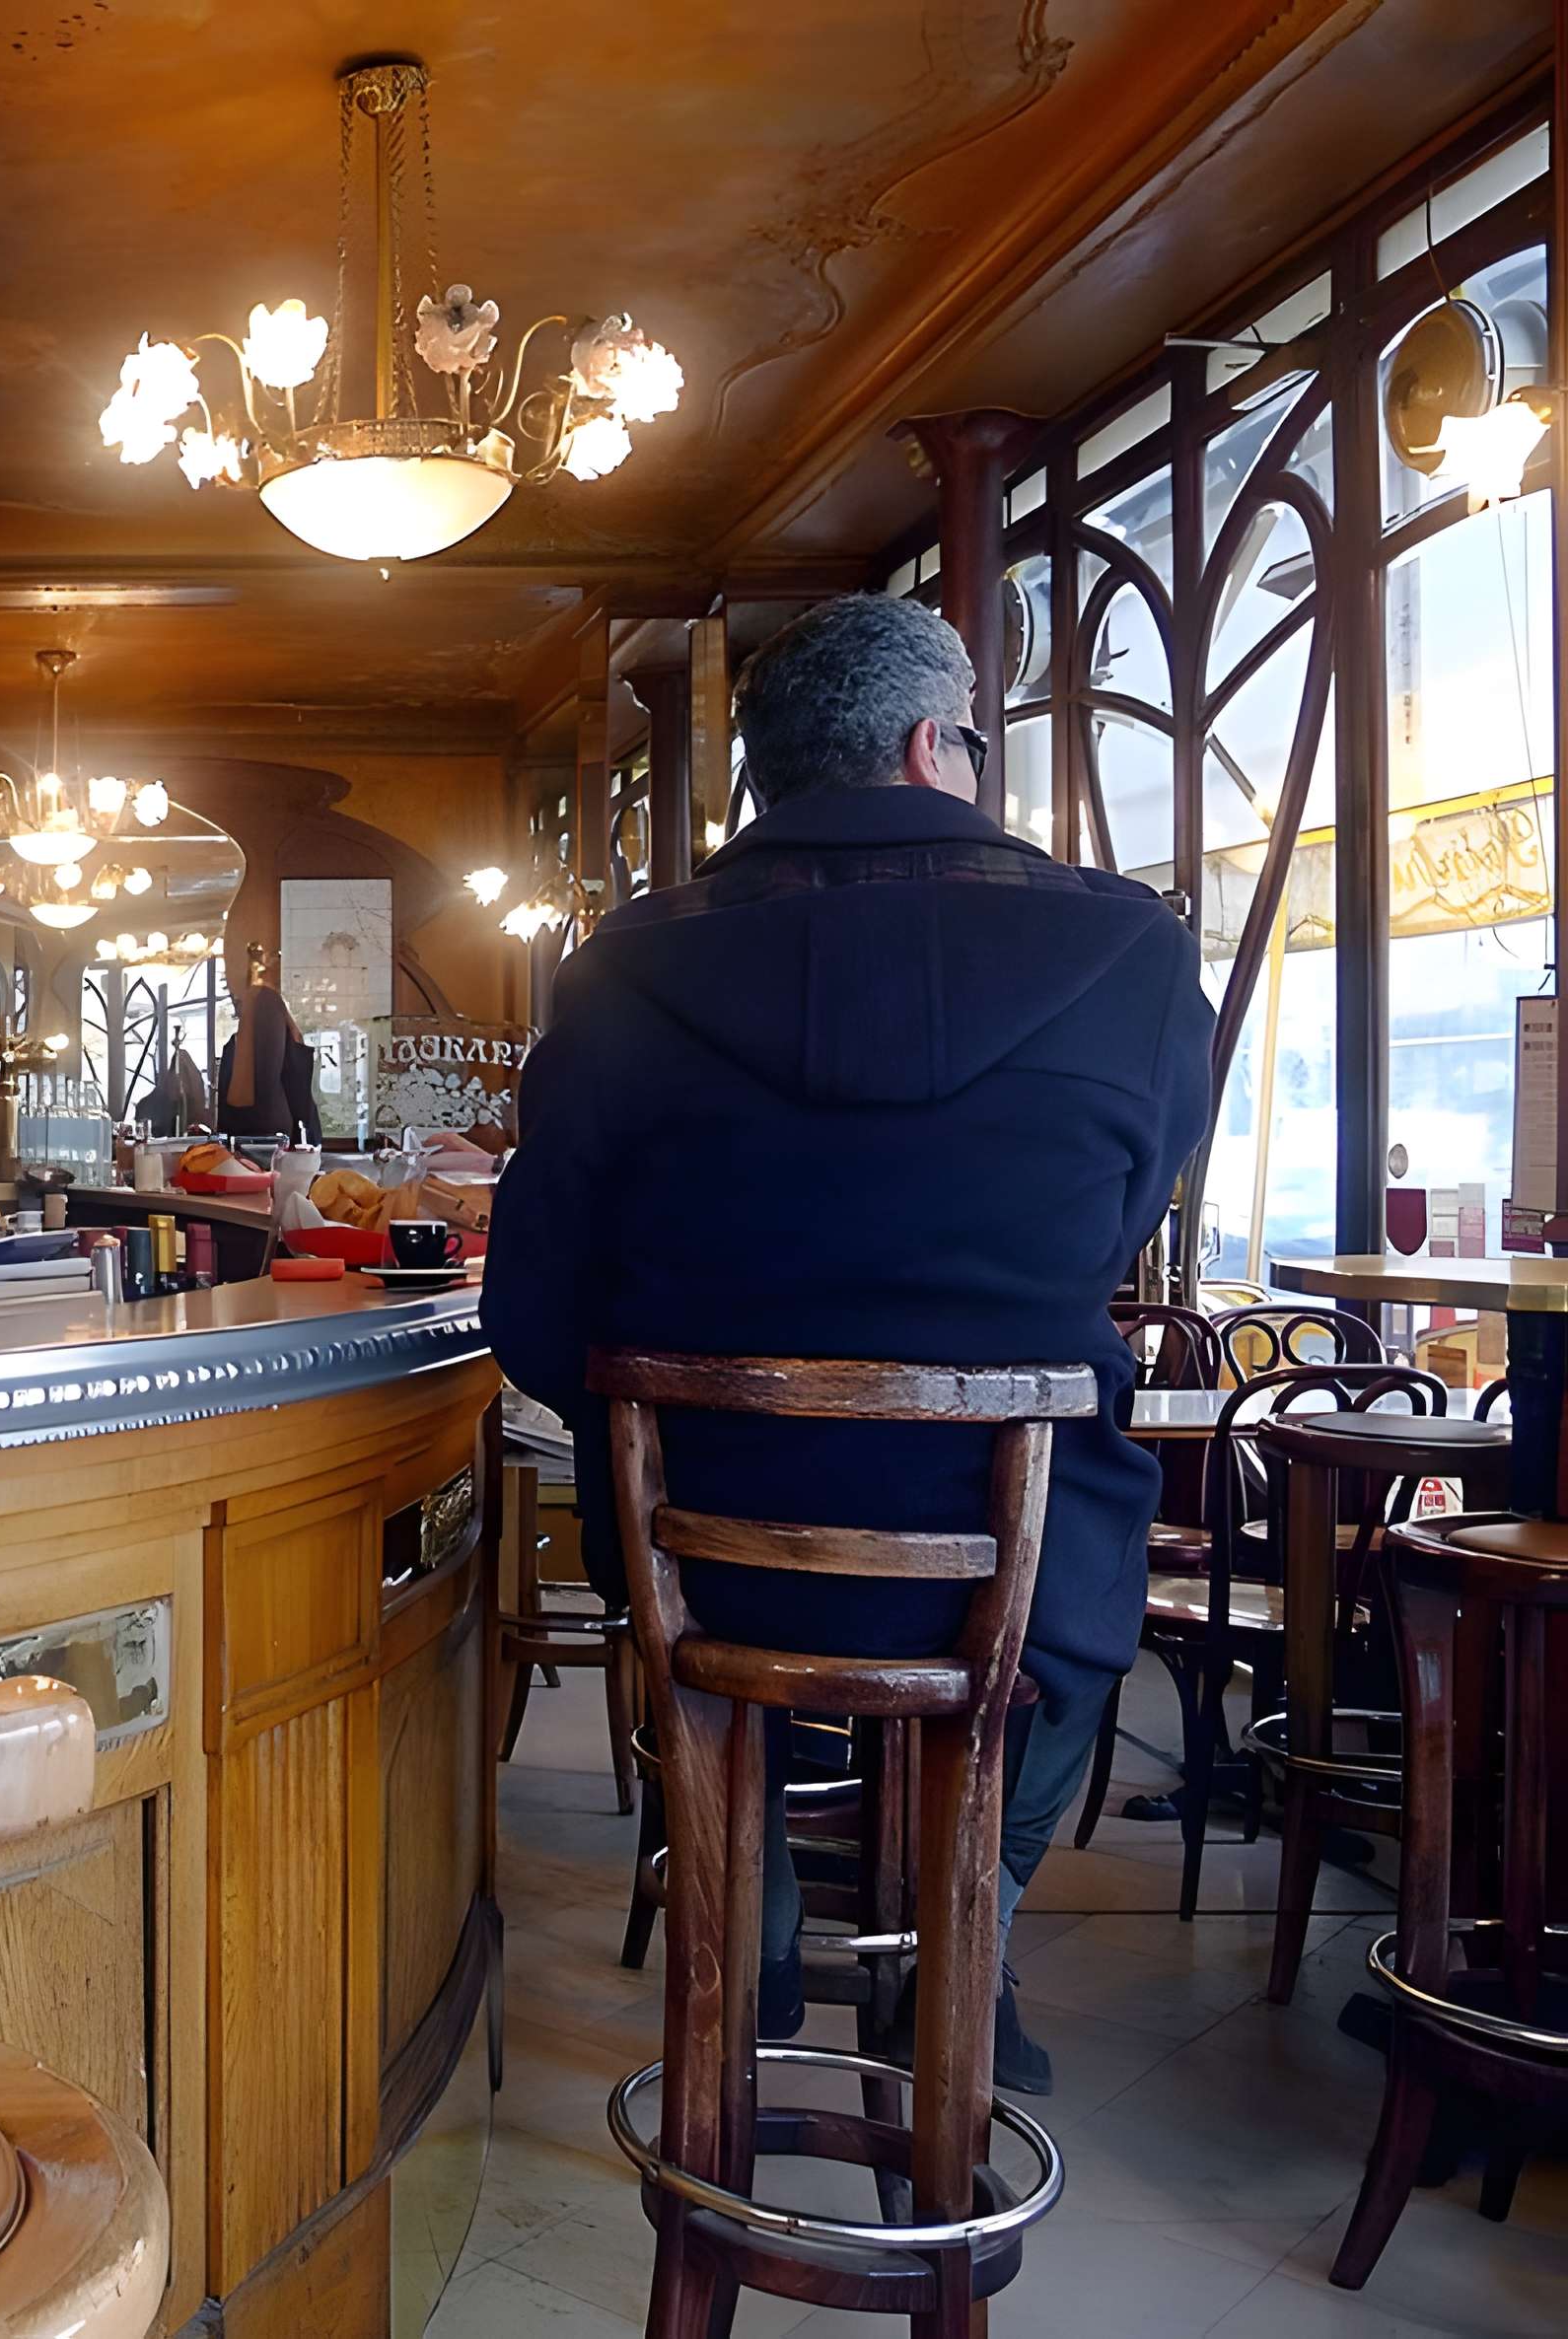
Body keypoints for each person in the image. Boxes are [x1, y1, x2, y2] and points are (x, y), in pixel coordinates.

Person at [481, 593, 1213, 2096]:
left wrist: (693, 1412)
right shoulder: (1129, 957)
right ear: (936, 743)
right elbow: (1118, 1226)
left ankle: (748, 1919)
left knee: (702, 1653)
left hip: (711, 1554)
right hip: (1019, 1559)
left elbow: (530, 1308)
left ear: (765, 775)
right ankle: (966, 1946)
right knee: (1072, 1643)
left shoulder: (622, 971)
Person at [214, 983, 322, 1145]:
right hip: (278, 1134)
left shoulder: (242, 1052)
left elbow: (239, 1103)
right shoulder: (237, 1050)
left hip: (262, 1137)